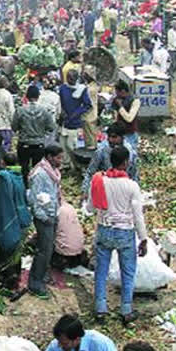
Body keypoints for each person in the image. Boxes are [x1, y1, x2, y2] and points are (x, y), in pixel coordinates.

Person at [87, 146, 148, 324]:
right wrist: (143, 238)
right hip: (125, 232)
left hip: (104, 229)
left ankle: (100, 308)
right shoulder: (132, 186)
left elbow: (91, 208)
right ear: (126, 163)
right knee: (128, 272)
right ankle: (126, 310)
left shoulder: (99, 181)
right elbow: (138, 215)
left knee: (101, 270)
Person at [0, 153, 31, 294]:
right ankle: (14, 278)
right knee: (16, 252)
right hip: (22, 218)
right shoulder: (19, 176)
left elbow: (2, 203)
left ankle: (8, 282)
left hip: (10, 219)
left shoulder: (5, 179)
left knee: (5, 252)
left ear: (4, 163)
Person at [26, 144, 64, 298]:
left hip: (52, 213)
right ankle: (35, 283)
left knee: (48, 248)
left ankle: (42, 274)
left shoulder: (53, 172)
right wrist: (44, 217)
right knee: (44, 250)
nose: (61, 161)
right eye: (58, 157)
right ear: (49, 157)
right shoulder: (39, 174)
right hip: (44, 217)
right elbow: (34, 199)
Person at [82, 121, 139, 198]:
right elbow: (90, 172)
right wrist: (86, 191)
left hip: (124, 189)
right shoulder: (101, 151)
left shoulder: (131, 153)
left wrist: (135, 194)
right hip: (105, 188)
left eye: (114, 137)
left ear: (122, 137)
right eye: (108, 137)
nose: (110, 140)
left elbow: (134, 175)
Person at [12, 85, 56, 181]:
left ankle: (24, 188)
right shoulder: (44, 111)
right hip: (39, 144)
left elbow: (14, 127)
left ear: (26, 96)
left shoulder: (20, 110)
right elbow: (51, 127)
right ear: (38, 96)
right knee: (38, 170)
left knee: (23, 168)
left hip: (24, 144)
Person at [58, 69, 92, 173]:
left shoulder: (81, 89)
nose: (70, 80)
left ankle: (77, 165)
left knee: (72, 145)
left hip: (75, 122)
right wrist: (61, 111)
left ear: (76, 78)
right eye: (68, 78)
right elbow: (59, 101)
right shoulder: (63, 88)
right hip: (64, 121)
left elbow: (87, 105)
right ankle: (66, 165)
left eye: (72, 78)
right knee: (63, 145)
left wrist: (76, 113)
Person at [44, 314, 116, 351]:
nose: (59, 346)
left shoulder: (100, 343)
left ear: (77, 339)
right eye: (59, 341)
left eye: (64, 343)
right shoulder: (55, 345)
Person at [52, 193, 87, 271]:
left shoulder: (57, 210)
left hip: (64, 252)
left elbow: (51, 231)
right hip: (78, 250)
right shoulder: (70, 208)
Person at [112, 80, 141, 151]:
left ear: (123, 91)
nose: (116, 95)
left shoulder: (135, 101)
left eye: (117, 92)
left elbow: (129, 118)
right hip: (120, 133)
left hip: (130, 133)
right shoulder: (117, 99)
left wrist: (120, 106)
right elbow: (114, 115)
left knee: (130, 153)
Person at [81, 66, 99, 149]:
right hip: (93, 114)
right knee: (92, 134)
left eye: (85, 74)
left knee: (89, 137)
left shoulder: (89, 89)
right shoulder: (94, 86)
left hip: (88, 115)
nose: (83, 75)